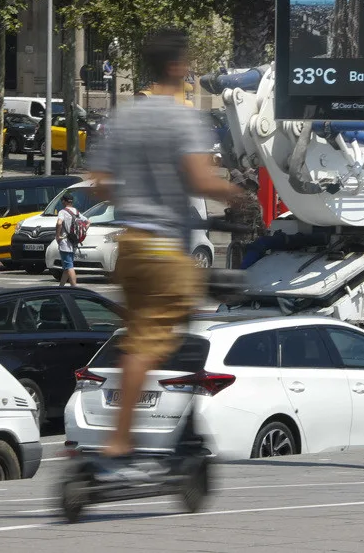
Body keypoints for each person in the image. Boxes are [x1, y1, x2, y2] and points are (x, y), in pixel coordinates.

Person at [88, 26, 242, 475]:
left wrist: (136, 192)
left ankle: (145, 431)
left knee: (146, 337)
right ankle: (121, 441)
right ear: (177, 66)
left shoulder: (125, 116)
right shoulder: (181, 117)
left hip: (129, 246)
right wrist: (236, 192)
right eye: (188, 62)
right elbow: (199, 180)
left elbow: (99, 181)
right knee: (151, 343)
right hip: (163, 250)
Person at [55, 192, 80, 287]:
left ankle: (74, 288)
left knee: (69, 266)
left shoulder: (63, 212)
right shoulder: (76, 212)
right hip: (73, 242)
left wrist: (58, 236)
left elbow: (59, 223)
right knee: (67, 266)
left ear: (64, 201)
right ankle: (61, 287)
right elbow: (87, 222)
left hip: (65, 242)